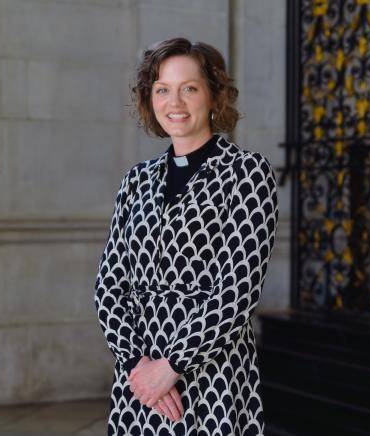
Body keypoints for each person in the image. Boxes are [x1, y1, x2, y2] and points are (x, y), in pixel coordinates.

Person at [93, 37, 279, 435]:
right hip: (140, 381)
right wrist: (138, 367)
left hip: (211, 376)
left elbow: (238, 291)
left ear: (214, 97)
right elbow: (109, 287)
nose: (173, 102)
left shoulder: (247, 174)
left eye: (188, 88)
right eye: (162, 89)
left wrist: (171, 367)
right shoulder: (136, 181)